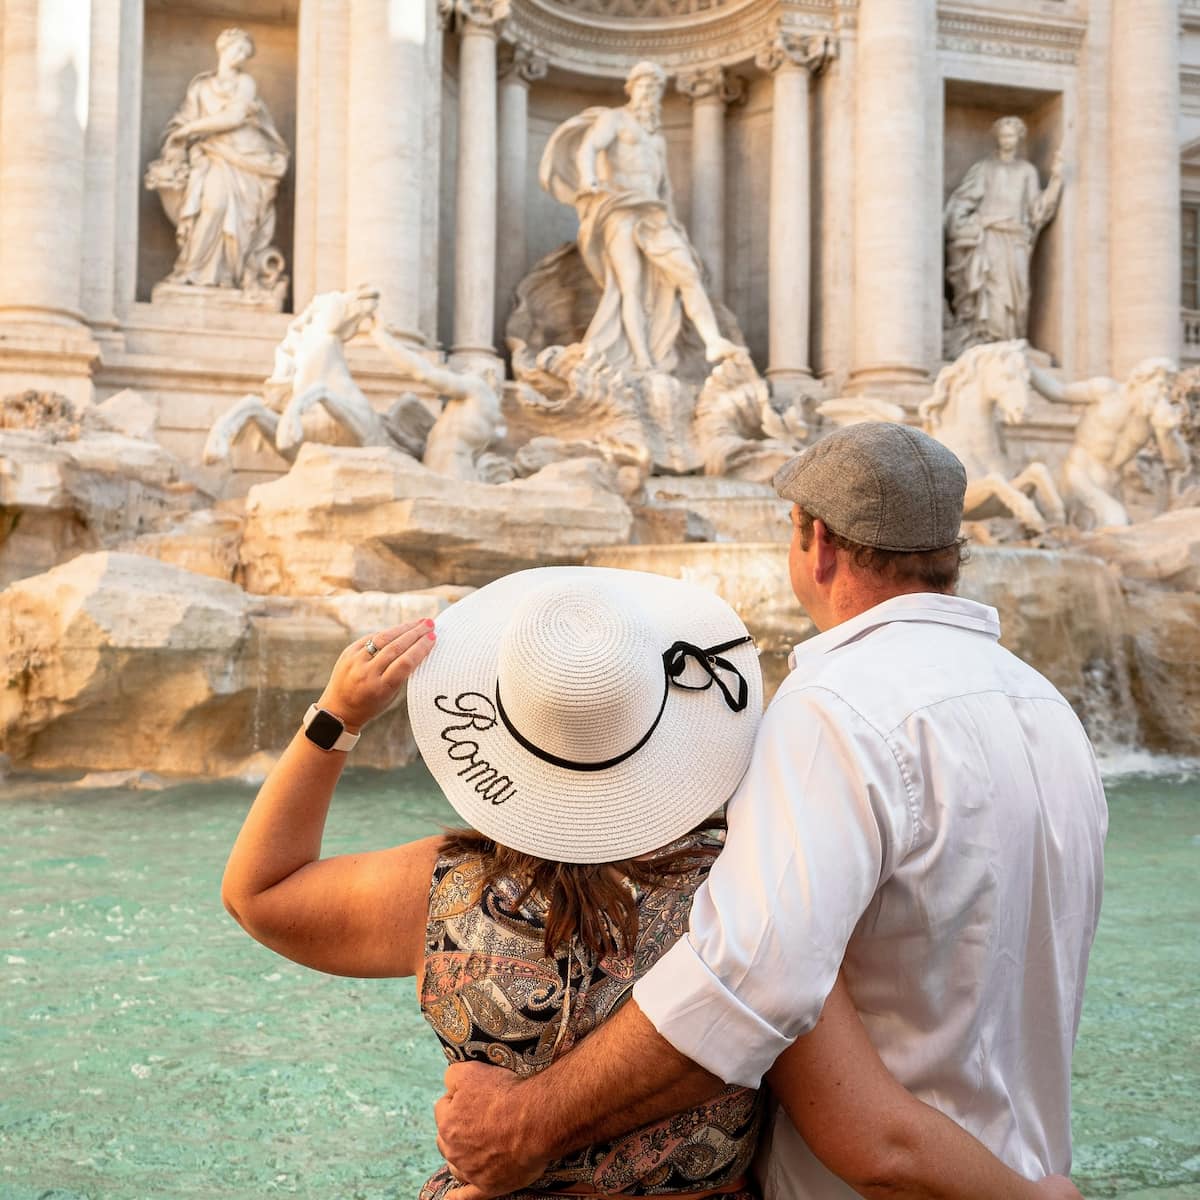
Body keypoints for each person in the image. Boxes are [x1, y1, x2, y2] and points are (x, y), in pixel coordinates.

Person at [433, 423, 1107, 1200]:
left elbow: (749, 982)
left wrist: (528, 1125)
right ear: (951, 553)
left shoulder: (832, 710)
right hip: (1029, 1166)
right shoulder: (1047, 706)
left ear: (816, 543)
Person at [539, 60, 740, 374]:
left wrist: (673, 222)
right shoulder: (614, 119)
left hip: (654, 213)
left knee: (687, 274)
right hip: (619, 207)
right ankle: (642, 359)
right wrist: (589, 179)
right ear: (631, 88)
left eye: (656, 87)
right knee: (628, 285)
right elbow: (589, 148)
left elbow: (665, 188)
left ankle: (712, 340)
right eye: (645, 85)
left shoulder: (657, 140)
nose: (650, 92)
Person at [145, 27, 289, 293]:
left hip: (244, 159)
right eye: (238, 49)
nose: (241, 56)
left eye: (246, 52)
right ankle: (191, 271)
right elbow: (182, 120)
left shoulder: (246, 83)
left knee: (230, 214)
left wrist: (189, 131)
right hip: (211, 157)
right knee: (213, 206)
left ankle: (226, 276)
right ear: (223, 47)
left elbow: (234, 118)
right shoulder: (201, 87)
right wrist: (179, 138)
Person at [944, 116, 1063, 355]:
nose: (1007, 140)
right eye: (1003, 135)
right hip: (988, 238)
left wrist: (1057, 179)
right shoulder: (984, 168)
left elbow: (1037, 209)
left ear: (1019, 138)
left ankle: (1012, 341)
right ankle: (990, 342)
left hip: (1016, 238)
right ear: (997, 138)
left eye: (1011, 136)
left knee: (1018, 296)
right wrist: (970, 224)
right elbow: (961, 203)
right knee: (992, 291)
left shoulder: (1026, 171)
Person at [1028, 357, 1191, 528]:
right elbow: (1057, 392)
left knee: (1105, 537)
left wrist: (1166, 433)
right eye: (1160, 385)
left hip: (1111, 486)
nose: (1163, 393)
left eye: (1168, 388)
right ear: (1140, 381)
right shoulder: (1106, 390)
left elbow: (1178, 463)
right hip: (1078, 474)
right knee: (1115, 521)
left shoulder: (1154, 419)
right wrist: (1027, 365)